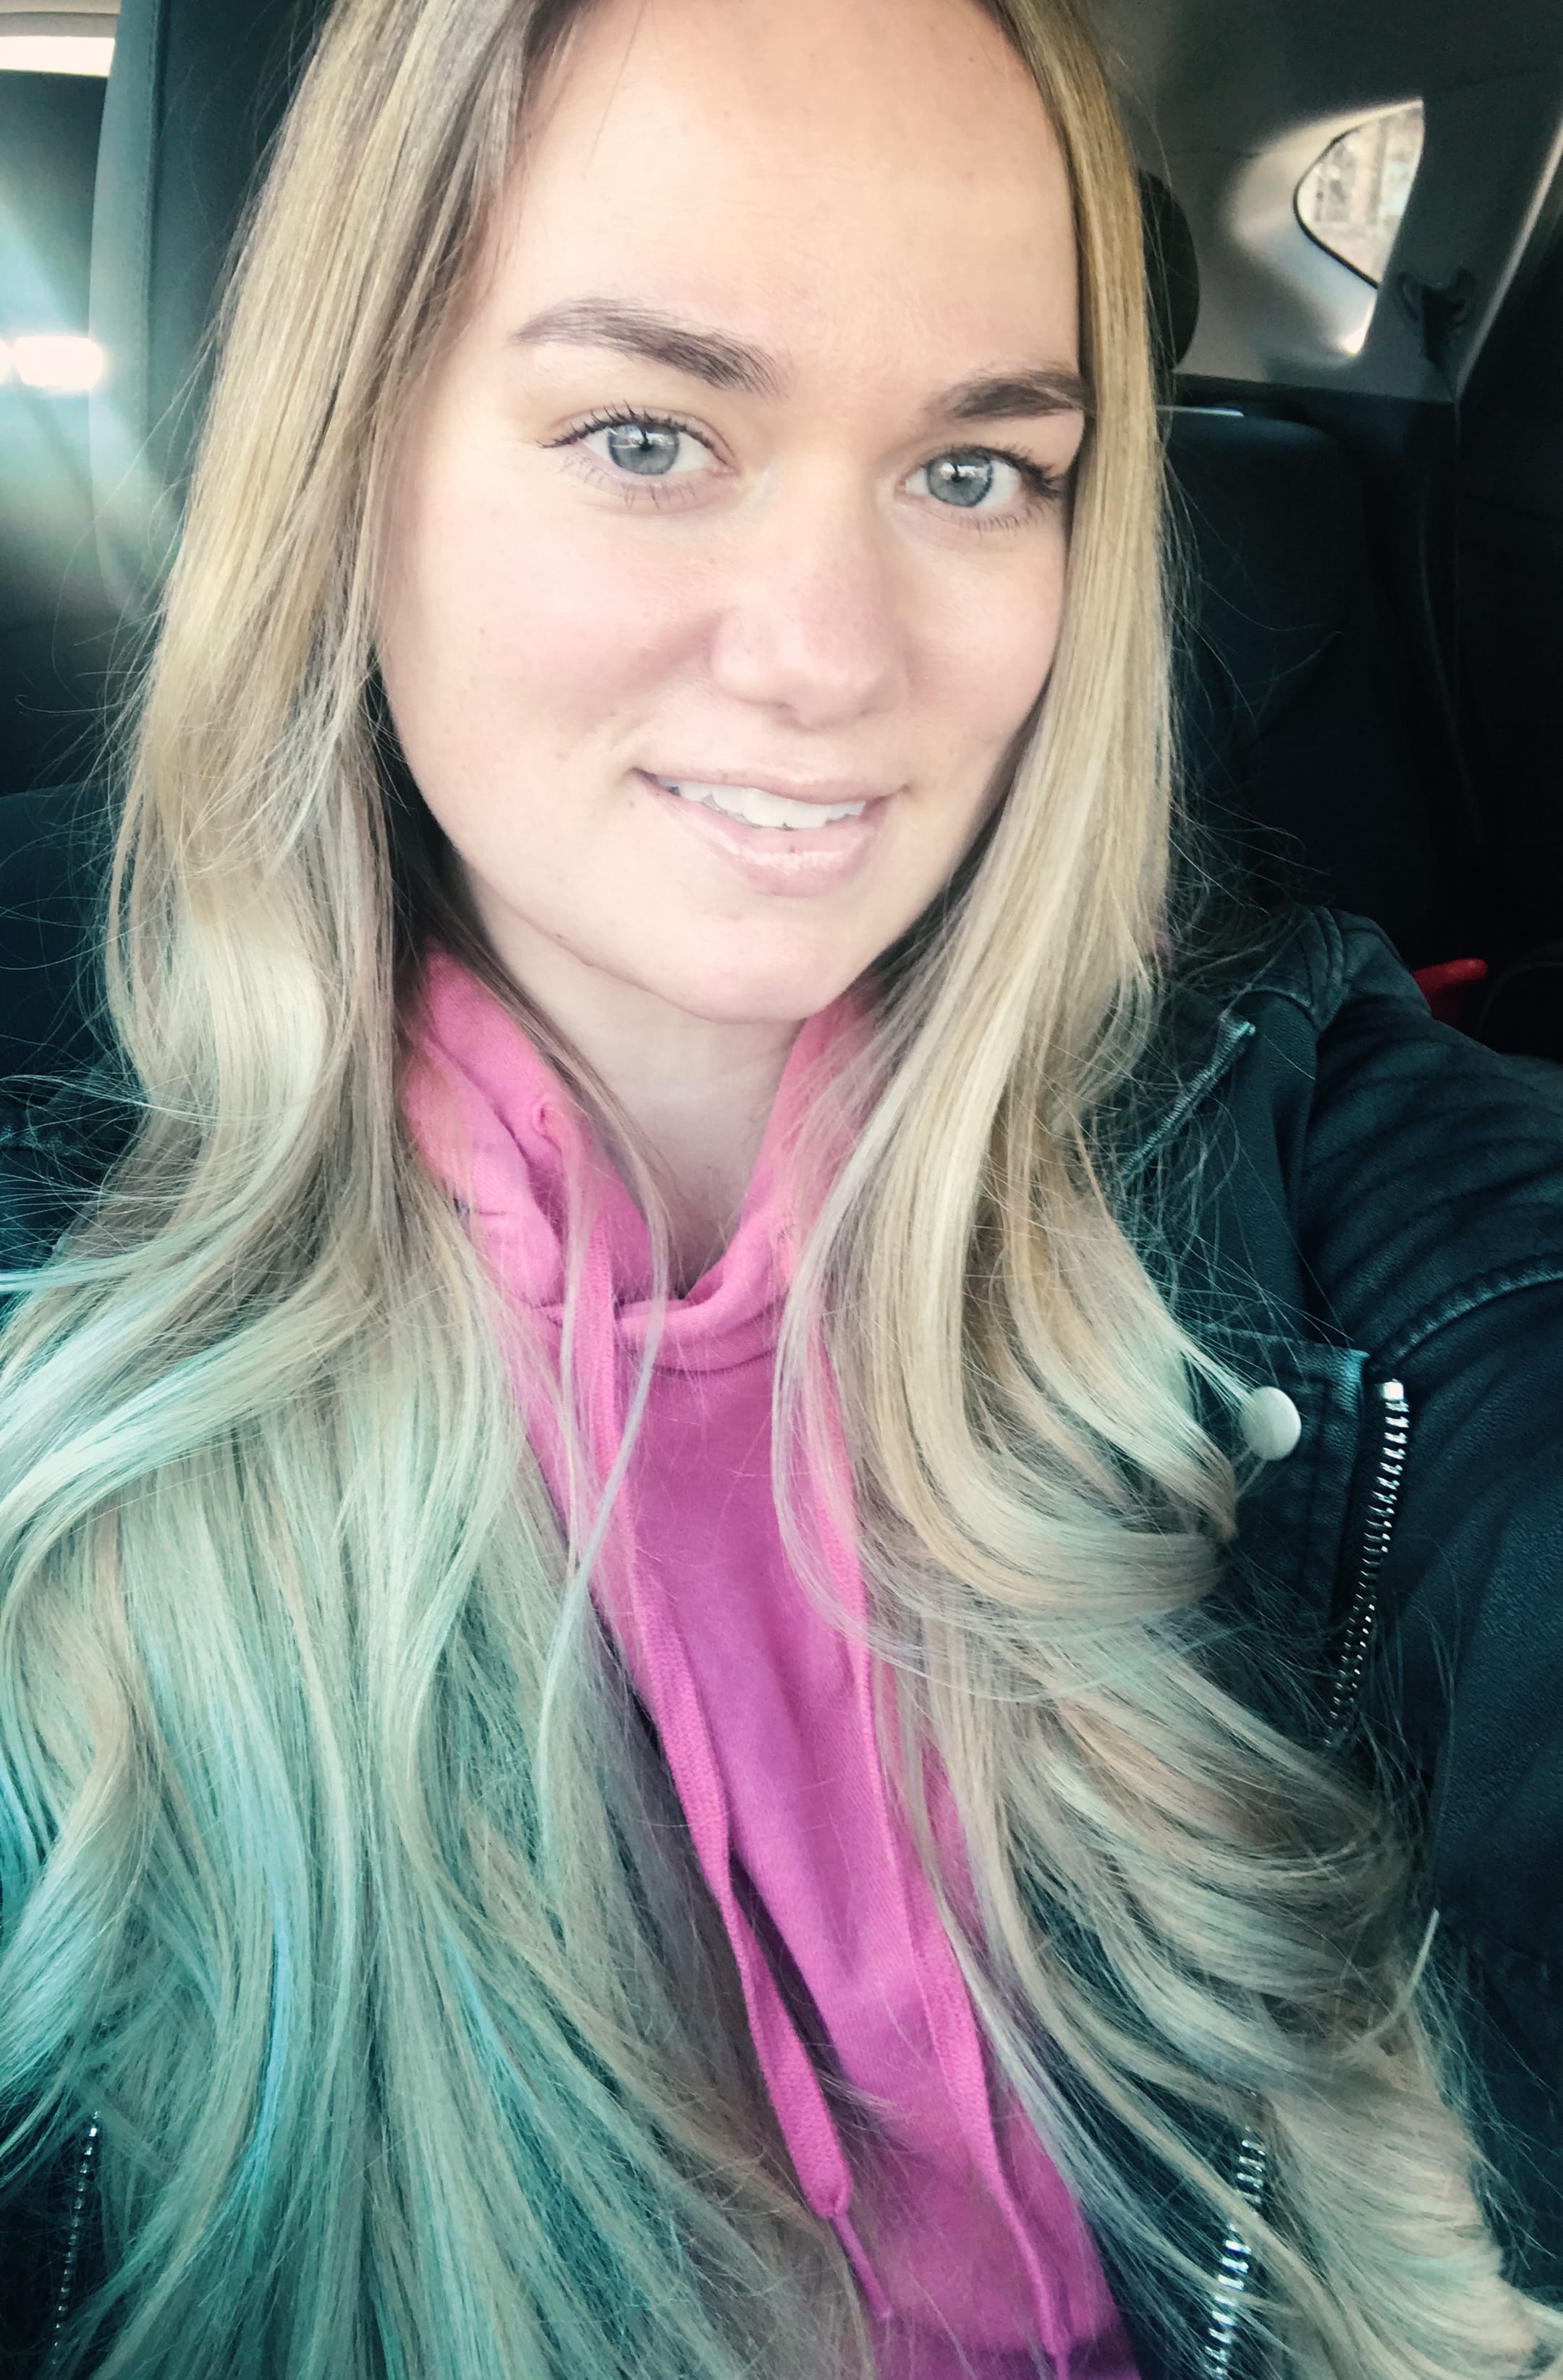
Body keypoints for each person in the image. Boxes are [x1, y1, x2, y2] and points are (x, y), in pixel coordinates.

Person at [0, 0, 1559, 2373]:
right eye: (650, 437)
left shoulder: (1288, 1125)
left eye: (975, 471)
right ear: (349, 456)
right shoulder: (57, 1243)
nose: (835, 658)